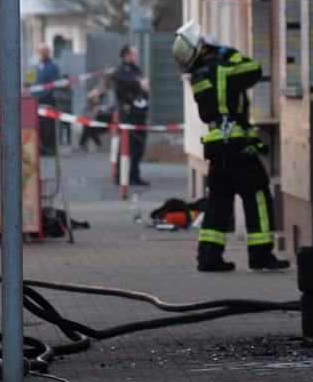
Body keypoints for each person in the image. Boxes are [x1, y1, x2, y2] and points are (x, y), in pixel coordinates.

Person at [172, 23, 290, 273]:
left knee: (218, 202)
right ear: (204, 47)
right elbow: (253, 70)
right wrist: (226, 51)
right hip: (235, 144)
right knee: (257, 194)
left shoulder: (198, 76)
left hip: (216, 145)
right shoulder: (222, 70)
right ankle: (260, 255)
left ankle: (209, 257)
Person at [113, 43, 151, 185]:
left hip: (140, 113)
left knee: (139, 148)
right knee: (128, 147)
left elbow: (146, 86)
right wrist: (141, 85)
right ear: (126, 56)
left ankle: (134, 175)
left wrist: (143, 85)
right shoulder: (122, 72)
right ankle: (121, 175)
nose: (137, 56)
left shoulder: (137, 70)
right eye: (134, 53)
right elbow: (139, 85)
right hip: (129, 115)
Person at [31, 42, 60, 156]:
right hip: (38, 99)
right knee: (42, 125)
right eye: (40, 52)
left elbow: (54, 84)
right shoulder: (39, 66)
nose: (41, 54)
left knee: (48, 126)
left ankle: (49, 148)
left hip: (47, 99)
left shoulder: (52, 66)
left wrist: (42, 95)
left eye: (43, 52)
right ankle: (43, 146)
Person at [78, 76, 113, 151]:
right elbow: (90, 97)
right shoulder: (99, 92)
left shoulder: (108, 92)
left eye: (102, 83)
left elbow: (109, 105)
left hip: (104, 116)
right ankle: (89, 144)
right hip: (96, 115)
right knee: (88, 126)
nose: (100, 85)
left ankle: (85, 144)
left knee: (89, 127)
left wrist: (99, 107)